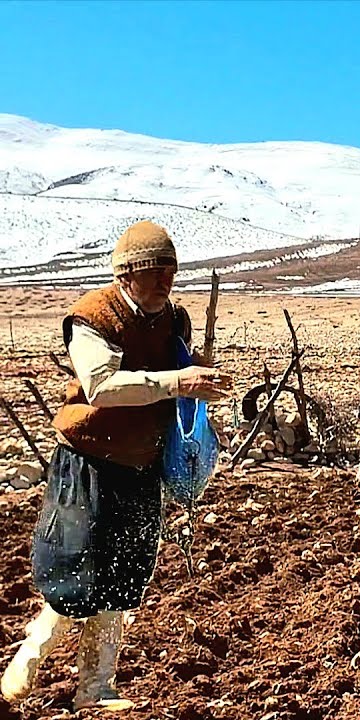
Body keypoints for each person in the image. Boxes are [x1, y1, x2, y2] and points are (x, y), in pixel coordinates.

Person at [1, 221, 234, 711]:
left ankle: (96, 687)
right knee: (74, 570)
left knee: (122, 576)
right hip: (89, 462)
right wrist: (178, 381)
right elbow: (101, 385)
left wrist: (196, 396)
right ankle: (27, 663)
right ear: (126, 274)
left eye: (169, 272)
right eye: (152, 272)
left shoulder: (175, 318)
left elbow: (177, 379)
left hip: (141, 464)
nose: (163, 283)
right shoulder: (93, 316)